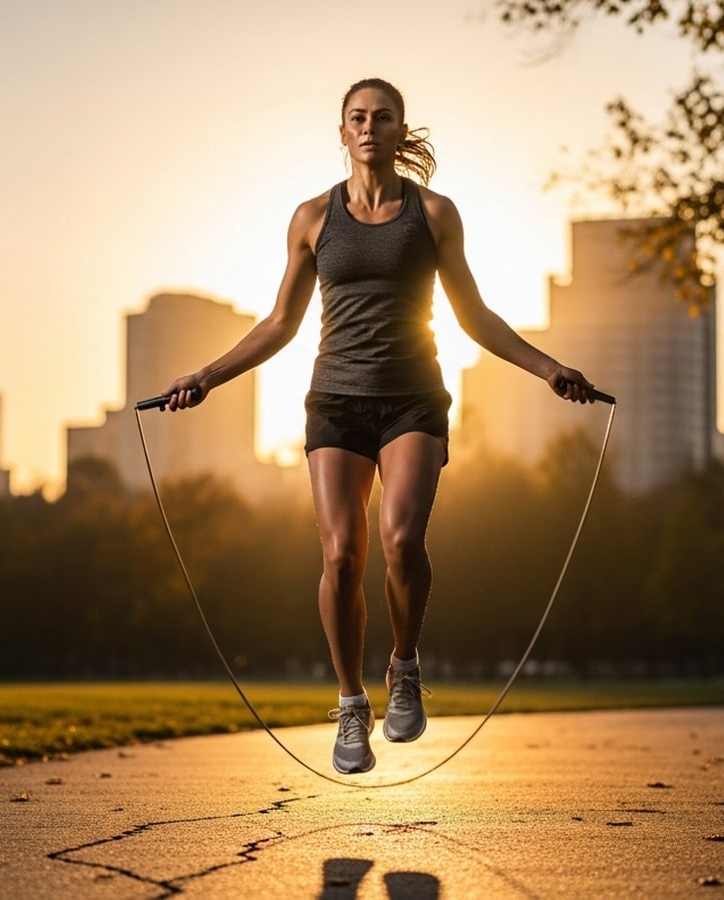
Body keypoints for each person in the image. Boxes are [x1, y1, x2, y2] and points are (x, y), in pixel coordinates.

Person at [160, 77, 597, 775]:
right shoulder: (310, 218)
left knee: (400, 540)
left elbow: (474, 316)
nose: (369, 127)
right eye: (357, 118)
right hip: (334, 401)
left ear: (400, 130)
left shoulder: (434, 213)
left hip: (413, 399)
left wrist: (547, 368)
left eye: (382, 117)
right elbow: (280, 323)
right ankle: (351, 705)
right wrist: (205, 377)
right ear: (342, 133)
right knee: (340, 556)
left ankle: (404, 666)